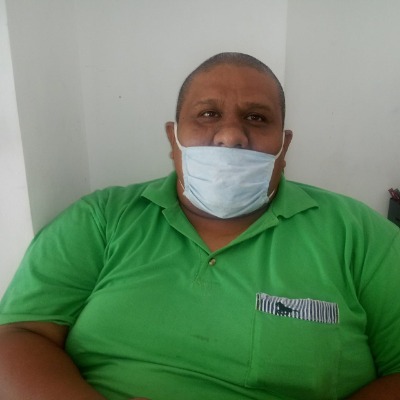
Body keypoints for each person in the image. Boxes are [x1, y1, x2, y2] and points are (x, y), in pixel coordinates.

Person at [0, 52, 399, 400]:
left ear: (284, 145)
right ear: (173, 138)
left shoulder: (359, 234)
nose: (231, 135)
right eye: (208, 114)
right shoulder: (102, 218)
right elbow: (19, 335)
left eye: (256, 118)